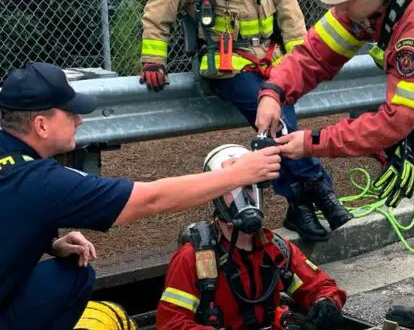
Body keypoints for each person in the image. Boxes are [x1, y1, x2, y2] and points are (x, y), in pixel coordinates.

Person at [138, 0, 350, 242]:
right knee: (277, 117)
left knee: (279, 119)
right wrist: (153, 59)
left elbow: (291, 15)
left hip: (271, 63)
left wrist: (301, 66)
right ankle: (317, 188)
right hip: (227, 67)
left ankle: (299, 203)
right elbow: (158, 11)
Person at [0, 61, 282, 330]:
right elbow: (151, 199)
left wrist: (49, 242)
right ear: (41, 125)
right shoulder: (39, 180)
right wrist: (241, 175)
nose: (80, 120)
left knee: (65, 271)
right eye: (70, 113)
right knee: (76, 276)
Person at [255, 0, 414, 209]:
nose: (337, 9)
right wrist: (273, 92)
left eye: (345, 0)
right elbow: (313, 55)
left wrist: (313, 142)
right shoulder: (365, 3)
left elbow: (398, 119)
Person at [157, 144, 346, 330]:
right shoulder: (192, 259)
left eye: (250, 188)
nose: (246, 198)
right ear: (217, 196)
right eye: (234, 189)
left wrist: (326, 303)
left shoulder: (276, 249)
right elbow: (170, 323)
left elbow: (322, 287)